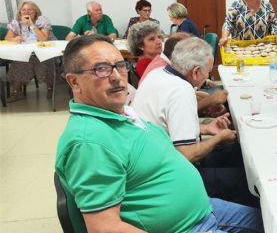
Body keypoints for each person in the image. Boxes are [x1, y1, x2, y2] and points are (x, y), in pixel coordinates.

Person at [56, 34, 263, 233]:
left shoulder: (119, 113)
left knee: (275, 221)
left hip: (202, 210)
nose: (117, 77)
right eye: (101, 69)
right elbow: (104, 228)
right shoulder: (89, 142)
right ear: (74, 82)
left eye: (120, 65)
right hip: (187, 227)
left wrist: (204, 128)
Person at [132, 38, 255, 206]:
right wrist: (219, 138)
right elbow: (187, 155)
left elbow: (166, 125)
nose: (207, 78)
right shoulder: (181, 90)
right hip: (169, 178)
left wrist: (205, 128)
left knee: (237, 152)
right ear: (196, 71)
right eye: (207, 73)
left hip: (152, 161)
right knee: (247, 180)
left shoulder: (157, 74)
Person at [4, 1, 57, 102]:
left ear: (35, 12)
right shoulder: (16, 22)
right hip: (26, 52)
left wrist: (32, 25)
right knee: (19, 61)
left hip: (45, 51)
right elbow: (7, 38)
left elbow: (44, 39)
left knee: (45, 61)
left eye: (29, 10)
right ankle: (17, 92)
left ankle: (51, 88)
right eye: (23, 10)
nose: (26, 12)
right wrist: (14, 39)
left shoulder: (42, 20)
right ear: (20, 13)